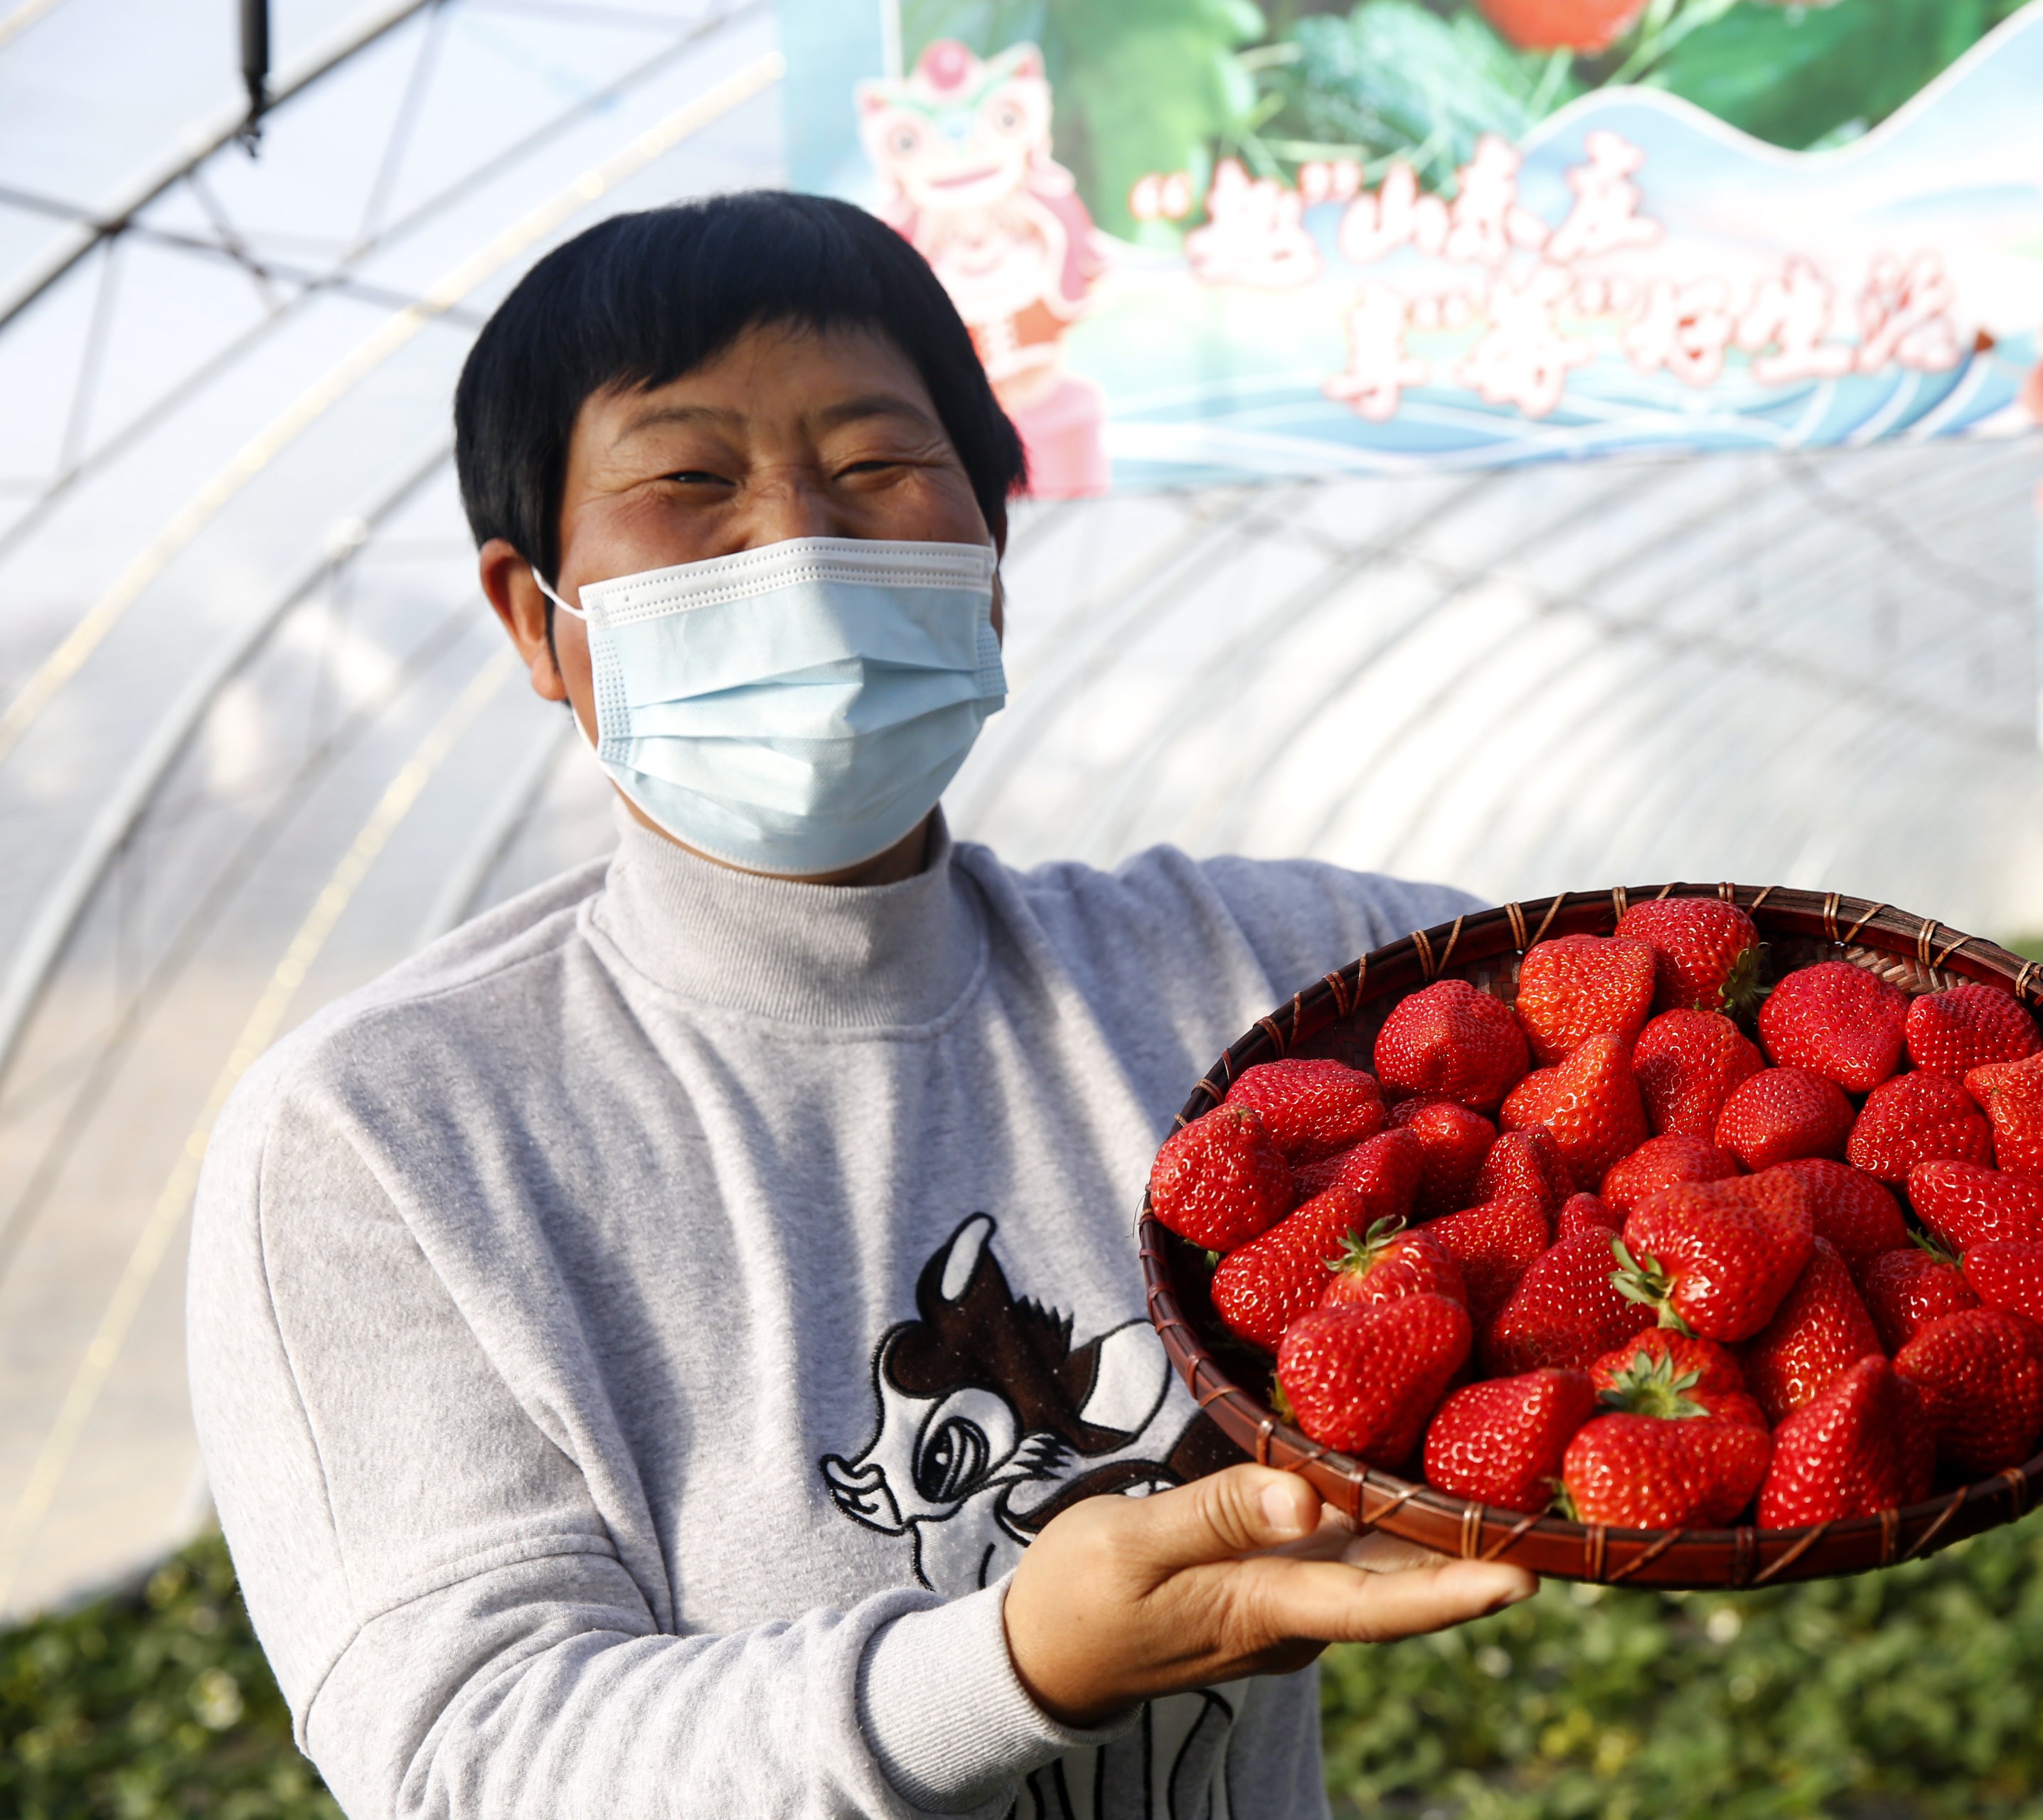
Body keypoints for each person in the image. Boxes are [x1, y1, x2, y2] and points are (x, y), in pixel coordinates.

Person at [183, 191, 1532, 1820]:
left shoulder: (1260, 972)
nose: (797, 540)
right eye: (688, 480)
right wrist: (1015, 1659)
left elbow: (1706, 1026)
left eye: (877, 464)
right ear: (535, 616)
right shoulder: (388, 1130)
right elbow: (475, 1745)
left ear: (988, 562)